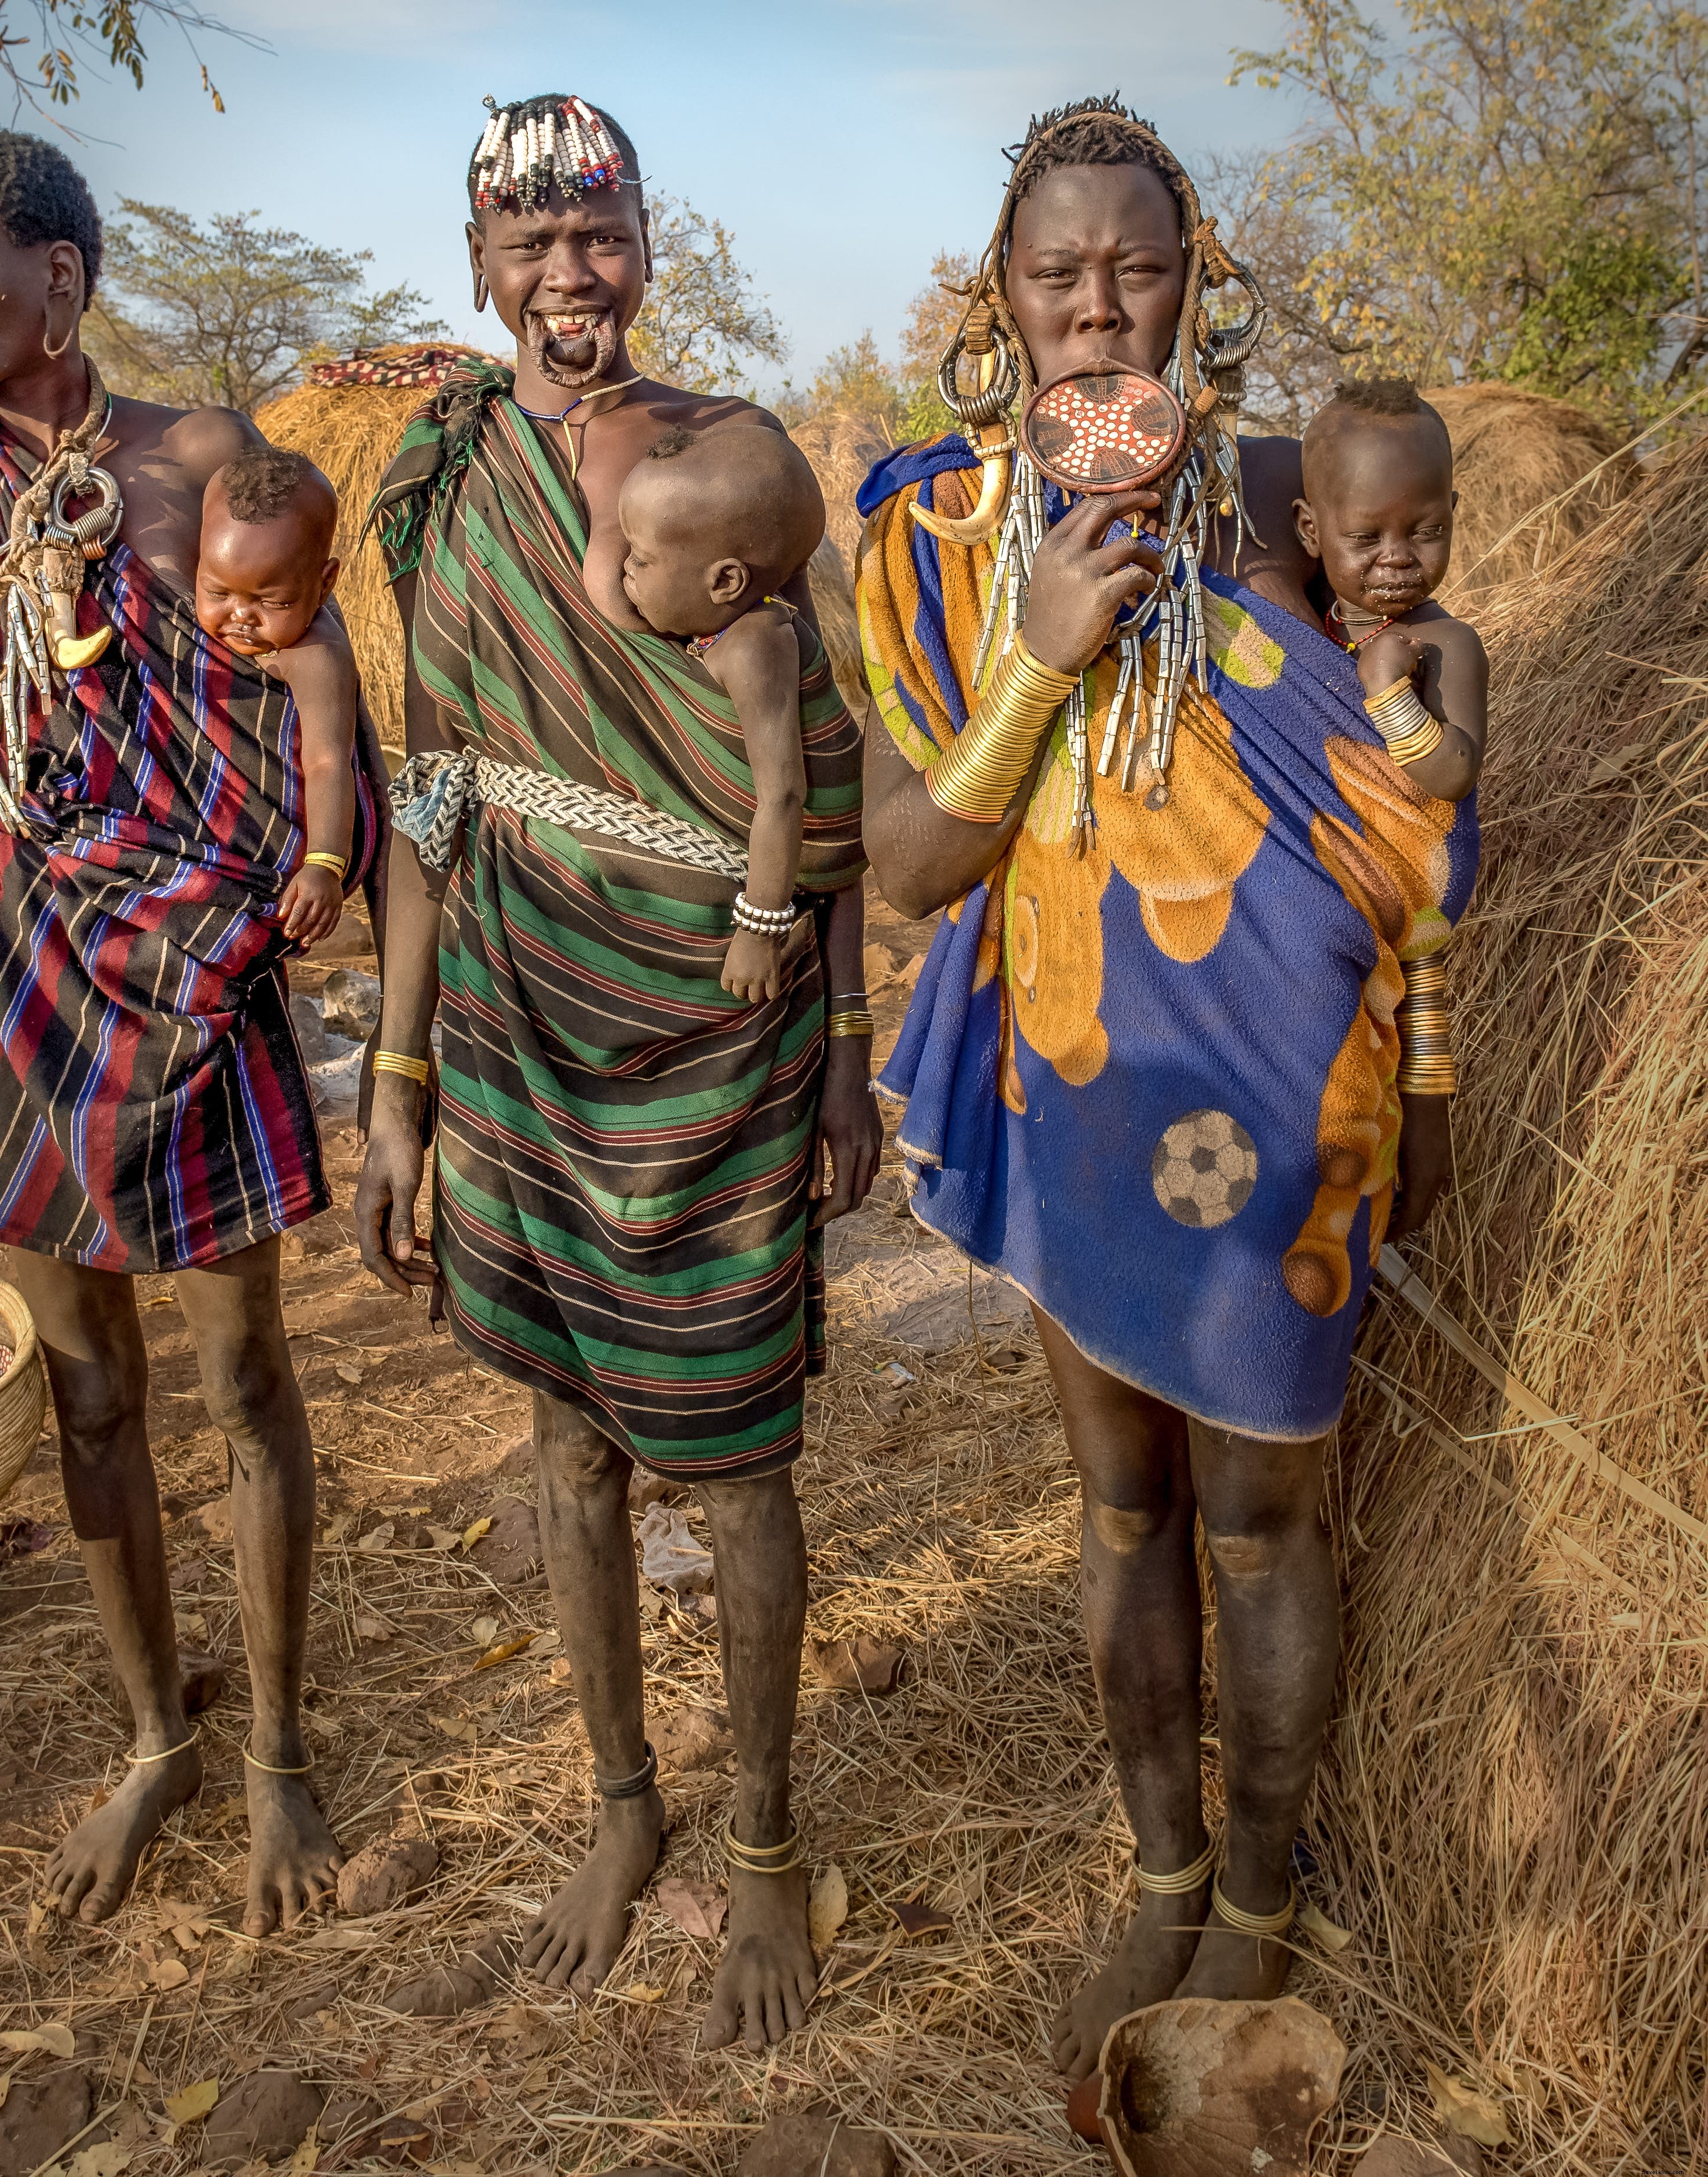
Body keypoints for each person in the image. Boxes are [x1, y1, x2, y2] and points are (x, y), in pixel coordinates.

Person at [854, 97, 1479, 2100]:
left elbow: (1429, 754)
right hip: (1079, 1080)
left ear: (1191, 272)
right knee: (1121, 1512)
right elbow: (906, 866)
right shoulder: (938, 534)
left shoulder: (1302, 492)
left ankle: (1261, 1904)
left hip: (1289, 1105)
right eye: (1059, 275)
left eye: (1136, 266)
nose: (1098, 309)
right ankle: (1158, 1866)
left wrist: (1432, 1037)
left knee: (1262, 1515)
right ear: (1000, 297)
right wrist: (1038, 654)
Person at [354, 91, 880, 2051]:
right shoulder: (441, 482)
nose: (565, 269)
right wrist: (397, 1074)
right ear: (475, 262)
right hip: (507, 1018)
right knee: (565, 1442)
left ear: (648, 244)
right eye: (526, 238)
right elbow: (433, 786)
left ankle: (754, 1842)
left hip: (721, 1041)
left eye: (599, 232)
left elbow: (807, 780)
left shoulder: (714, 470)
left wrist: (835, 1049)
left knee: (738, 1466)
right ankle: (619, 1806)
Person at [0, 128, 384, 1935]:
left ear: (57, 280)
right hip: (3, 978)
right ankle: (158, 1730)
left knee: (239, 1379)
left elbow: (319, 711)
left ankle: (285, 1742)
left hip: (186, 979)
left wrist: (294, 886)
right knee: (85, 1387)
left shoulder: (206, 467)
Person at [585, 423, 829, 1001]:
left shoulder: (753, 647)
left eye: (641, 559)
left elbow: (781, 794)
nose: (625, 567)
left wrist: (758, 928)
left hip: (742, 910)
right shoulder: (713, 632)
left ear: (724, 580)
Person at [195, 446, 359, 947]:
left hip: (263, 860)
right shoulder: (175, 616)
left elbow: (330, 761)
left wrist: (324, 865)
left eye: (273, 601)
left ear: (325, 582)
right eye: (218, 592)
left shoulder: (316, 658)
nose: (240, 616)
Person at [1294, 378, 1486, 803]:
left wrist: (1386, 689)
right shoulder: (1305, 609)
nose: (1398, 557)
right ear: (1311, 531)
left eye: (1428, 531)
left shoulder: (1445, 641)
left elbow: (1454, 776)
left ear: (1451, 516)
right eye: (1365, 538)